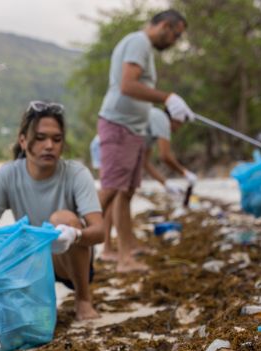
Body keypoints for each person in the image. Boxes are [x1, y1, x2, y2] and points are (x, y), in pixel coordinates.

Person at [0, 102, 104, 321]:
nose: (49, 145)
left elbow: (100, 231)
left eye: (56, 139)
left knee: (62, 218)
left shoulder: (76, 174)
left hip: (69, 260)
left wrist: (75, 235)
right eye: (41, 138)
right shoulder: (7, 175)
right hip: (29, 261)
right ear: (23, 141)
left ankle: (83, 300)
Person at [97, 9, 194, 273]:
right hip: (118, 125)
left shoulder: (145, 48)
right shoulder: (139, 42)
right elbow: (128, 85)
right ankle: (76, 242)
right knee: (109, 190)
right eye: (176, 34)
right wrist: (167, 98)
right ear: (164, 26)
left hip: (133, 128)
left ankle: (127, 252)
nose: (175, 41)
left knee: (126, 192)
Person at [97, 107, 196, 261]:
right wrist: (185, 173)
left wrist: (165, 183)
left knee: (125, 195)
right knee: (115, 196)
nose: (179, 128)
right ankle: (109, 249)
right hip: (110, 144)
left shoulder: (152, 127)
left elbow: (145, 162)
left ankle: (129, 246)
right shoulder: (161, 119)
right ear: (176, 118)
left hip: (111, 143)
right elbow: (165, 155)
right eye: (180, 124)